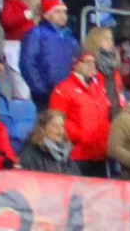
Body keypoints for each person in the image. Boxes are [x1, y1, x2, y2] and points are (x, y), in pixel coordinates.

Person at [47, 49, 113, 177]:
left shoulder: (100, 89)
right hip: (77, 154)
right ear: (75, 64)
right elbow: (56, 120)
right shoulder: (63, 89)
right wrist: (79, 136)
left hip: (99, 155)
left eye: (94, 62)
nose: (91, 65)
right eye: (87, 62)